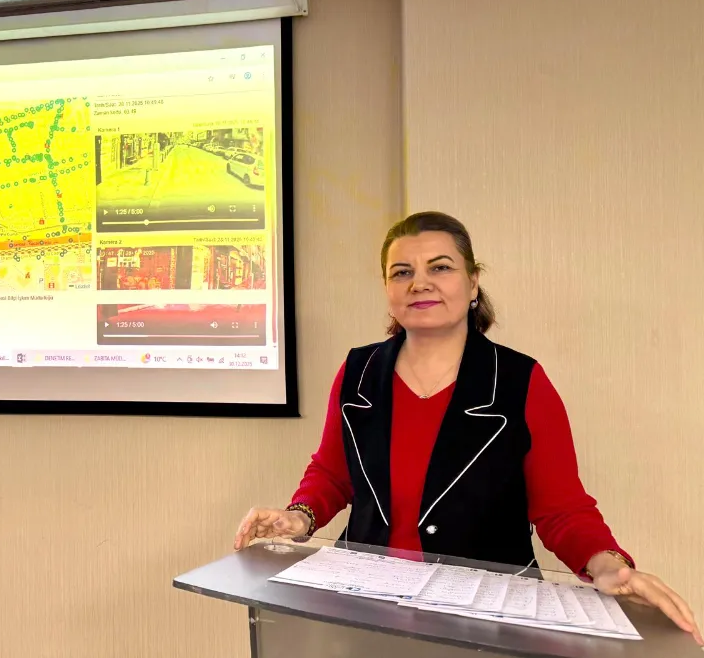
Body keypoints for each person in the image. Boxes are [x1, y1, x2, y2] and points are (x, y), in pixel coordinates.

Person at [234, 211, 701, 644]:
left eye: (440, 268)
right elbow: (333, 473)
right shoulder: (359, 371)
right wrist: (300, 515)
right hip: (368, 610)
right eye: (402, 272)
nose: (420, 283)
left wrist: (608, 563)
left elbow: (562, 509)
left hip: (486, 621)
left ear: (473, 282)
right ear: (387, 289)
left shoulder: (521, 381)